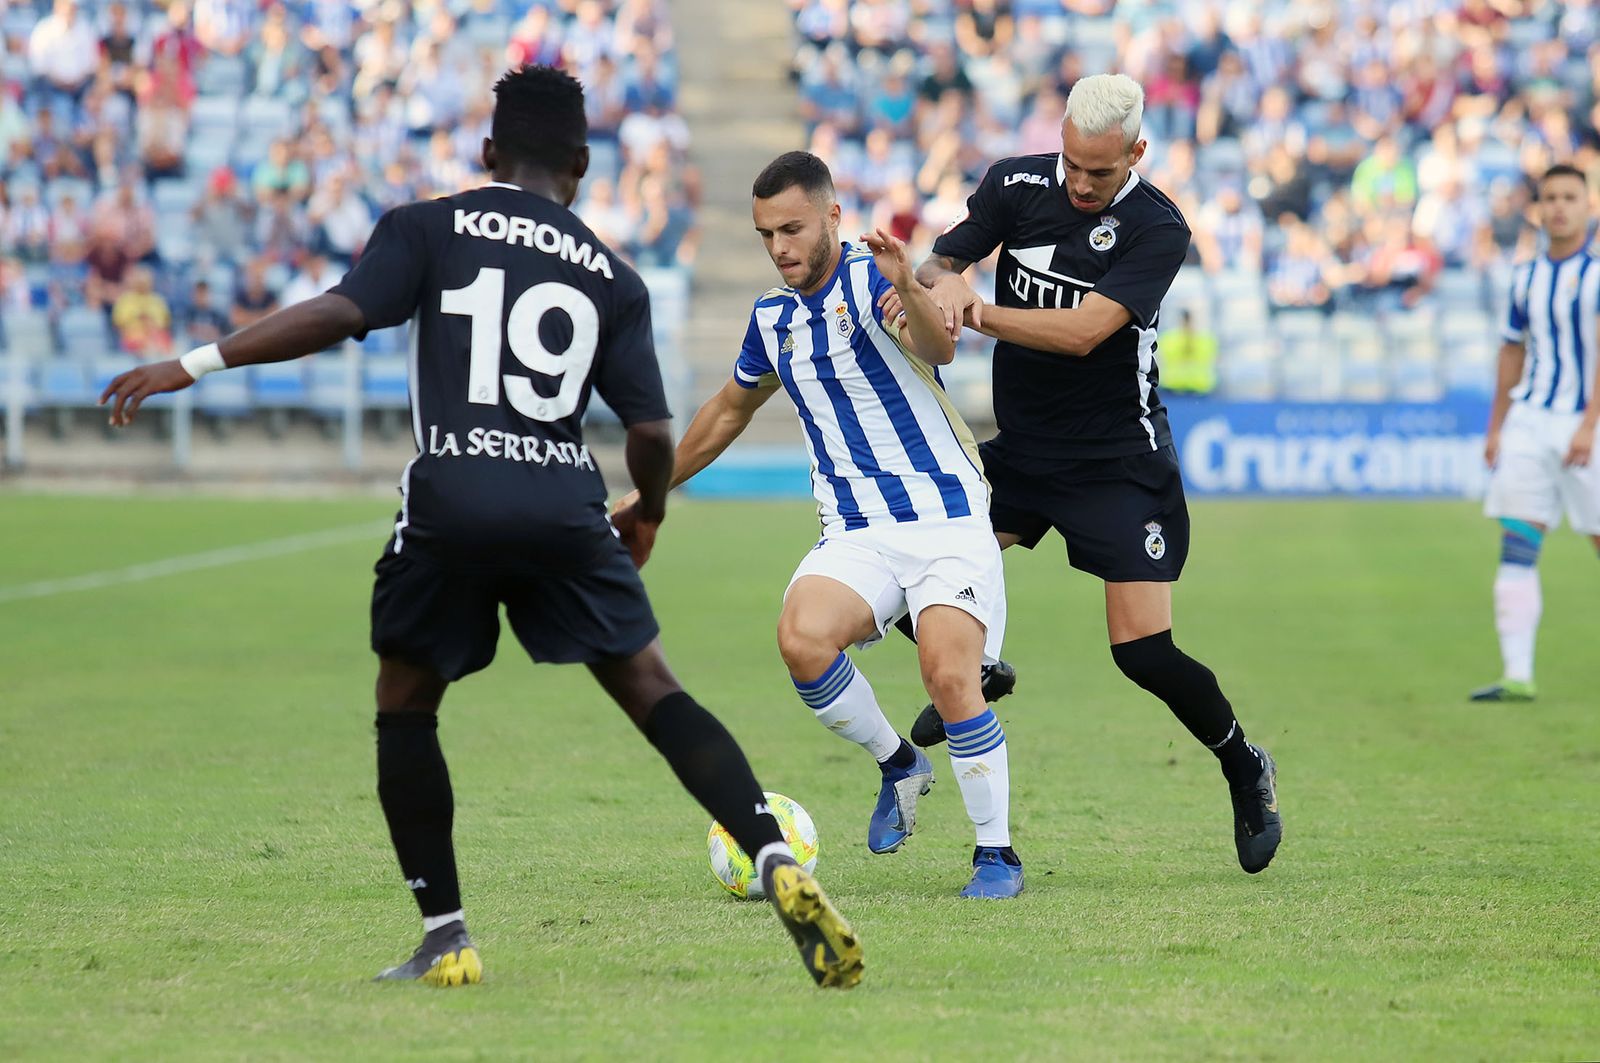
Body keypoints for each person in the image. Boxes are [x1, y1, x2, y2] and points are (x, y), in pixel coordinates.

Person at [99, 65, 862, 990]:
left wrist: (194, 362)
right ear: (582, 163)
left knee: (405, 701)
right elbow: (653, 433)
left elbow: (344, 311)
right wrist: (650, 512)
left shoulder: (429, 225)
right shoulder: (612, 275)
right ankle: (775, 854)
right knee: (652, 689)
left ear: (489, 152)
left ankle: (446, 932)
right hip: (565, 508)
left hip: (452, 500)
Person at [894, 73, 1282, 875]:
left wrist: (976, 307)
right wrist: (941, 278)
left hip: (1117, 463)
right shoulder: (1015, 182)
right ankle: (984, 667)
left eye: (1097, 173)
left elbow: (1083, 334)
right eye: (1070, 163)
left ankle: (1244, 763)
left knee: (1142, 652)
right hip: (1022, 450)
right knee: (909, 575)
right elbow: (939, 265)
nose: (1077, 183)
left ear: (1136, 153)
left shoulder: (1157, 227)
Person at [613, 152, 1024, 899]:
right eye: (767, 233)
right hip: (858, 530)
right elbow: (727, 413)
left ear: (832, 217)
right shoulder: (772, 320)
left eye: (793, 228)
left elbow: (938, 345)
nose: (780, 247)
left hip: (945, 516)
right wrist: (649, 493)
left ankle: (996, 853)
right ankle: (899, 761)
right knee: (800, 637)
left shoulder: (875, 282)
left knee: (949, 672)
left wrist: (905, 280)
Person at [1473, 163, 1600, 702]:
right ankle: (1518, 675)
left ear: (1587, 205)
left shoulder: (1597, 274)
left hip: (1585, 423)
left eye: (1570, 196)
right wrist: (1496, 426)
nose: (1559, 207)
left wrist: (1590, 424)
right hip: (1529, 421)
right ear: (1538, 208)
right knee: (1518, 543)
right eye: (1550, 197)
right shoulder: (1525, 276)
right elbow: (1511, 350)